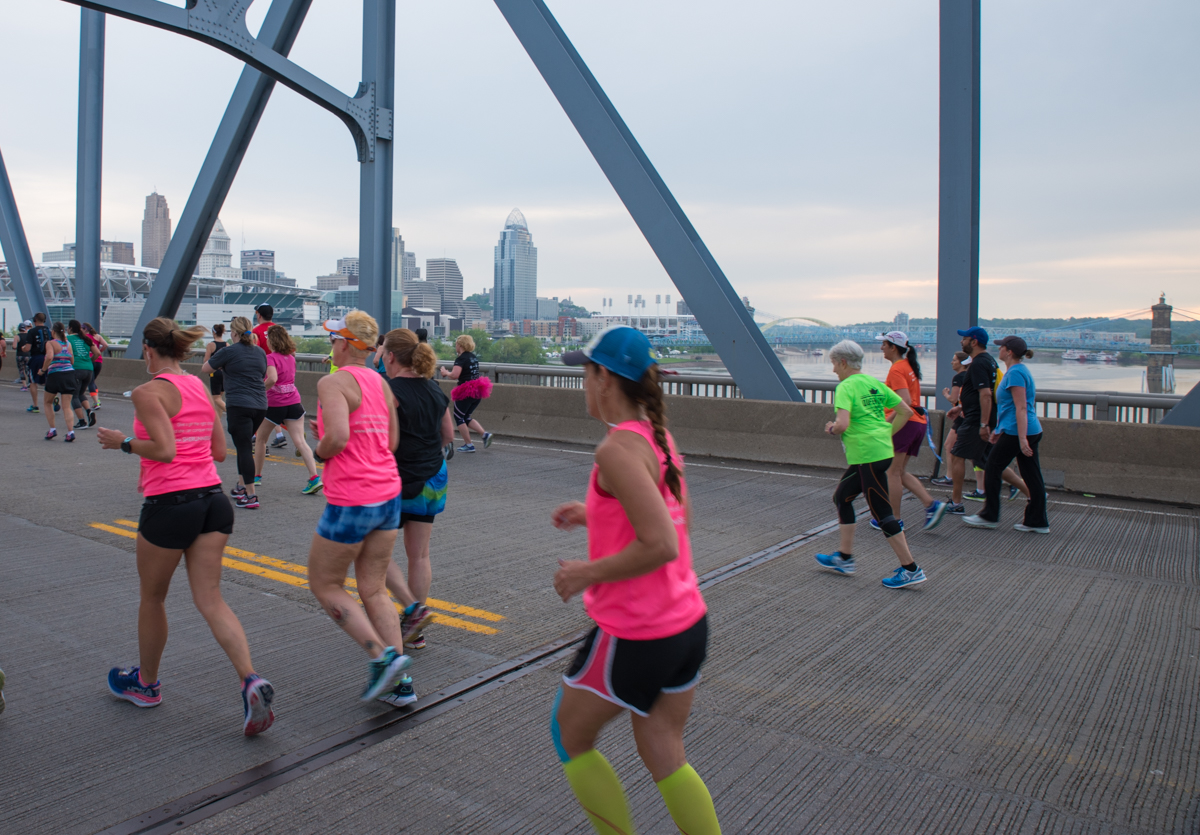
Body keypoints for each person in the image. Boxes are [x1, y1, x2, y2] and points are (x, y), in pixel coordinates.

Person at [551, 325, 720, 835]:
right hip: (686, 625)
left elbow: (662, 542)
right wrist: (596, 514)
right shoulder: (658, 436)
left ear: (604, 378)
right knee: (664, 750)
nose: (583, 381)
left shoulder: (616, 450)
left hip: (636, 630)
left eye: (586, 371)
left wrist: (587, 572)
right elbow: (676, 518)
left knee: (569, 736)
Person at [94, 317, 274, 734]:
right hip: (213, 501)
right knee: (211, 598)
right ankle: (251, 680)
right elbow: (219, 452)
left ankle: (146, 685)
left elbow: (163, 449)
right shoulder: (196, 386)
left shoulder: (147, 392)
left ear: (149, 349)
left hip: (170, 503)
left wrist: (121, 442)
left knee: (153, 598)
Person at [306, 312, 413, 703]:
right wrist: (337, 438)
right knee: (373, 588)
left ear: (347, 343)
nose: (330, 345)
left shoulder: (332, 381)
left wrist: (322, 448)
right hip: (388, 494)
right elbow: (390, 441)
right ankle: (400, 684)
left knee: (325, 584)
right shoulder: (381, 384)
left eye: (333, 339)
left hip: (352, 497)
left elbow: (335, 438)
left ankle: (381, 657)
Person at [814, 340, 929, 589]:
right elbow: (906, 411)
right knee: (842, 497)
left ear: (843, 362)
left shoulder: (846, 386)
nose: (833, 369)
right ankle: (844, 557)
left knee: (882, 513)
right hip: (876, 452)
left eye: (834, 363)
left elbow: (842, 423)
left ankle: (911, 569)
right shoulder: (873, 383)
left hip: (868, 454)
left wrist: (832, 428)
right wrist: (886, 432)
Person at [381, 328, 451, 652]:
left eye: (382, 352)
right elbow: (448, 435)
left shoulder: (388, 390)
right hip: (434, 477)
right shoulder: (435, 389)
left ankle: (412, 609)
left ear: (391, 356)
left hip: (399, 479)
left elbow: (382, 439)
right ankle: (416, 632)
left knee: (373, 552)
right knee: (419, 555)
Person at [963, 336, 1050, 534]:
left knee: (992, 467)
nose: (999, 349)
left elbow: (1020, 408)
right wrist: (999, 430)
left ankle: (989, 515)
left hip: (1019, 431)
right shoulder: (1018, 371)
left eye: (1001, 347)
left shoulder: (1016, 374)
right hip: (1024, 429)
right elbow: (1009, 407)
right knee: (1032, 475)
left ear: (1009, 352)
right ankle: (1037, 521)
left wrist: (1021, 439)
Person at [874, 331, 947, 532]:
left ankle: (894, 520)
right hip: (918, 422)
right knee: (900, 471)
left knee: (892, 472)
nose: (881, 348)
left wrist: (886, 423)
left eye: (884, 345)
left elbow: (904, 402)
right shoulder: (908, 367)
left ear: (893, 347)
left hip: (905, 423)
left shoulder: (897, 370)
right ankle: (931, 505)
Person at [202, 317, 266, 509]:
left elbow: (206, 368)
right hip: (260, 406)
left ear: (235, 333)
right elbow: (262, 374)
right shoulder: (260, 352)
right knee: (243, 446)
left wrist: (223, 365)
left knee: (244, 448)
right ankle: (241, 486)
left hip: (239, 405)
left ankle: (251, 495)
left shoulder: (229, 351)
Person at [253, 325, 322, 495]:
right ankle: (314, 478)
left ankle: (256, 476)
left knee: (261, 440)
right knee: (300, 441)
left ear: (272, 340)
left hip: (275, 404)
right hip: (294, 402)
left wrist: (259, 390)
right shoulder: (291, 357)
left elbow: (272, 379)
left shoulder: (270, 358)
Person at [440, 334, 493, 452]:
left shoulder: (461, 359)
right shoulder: (473, 357)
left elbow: (455, 375)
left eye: (456, 344)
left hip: (466, 391)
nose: (455, 346)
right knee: (466, 416)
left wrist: (445, 373)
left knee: (458, 417)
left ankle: (469, 445)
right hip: (478, 390)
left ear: (461, 345)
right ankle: (485, 435)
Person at [930, 352, 970, 487]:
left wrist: (945, 394)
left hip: (962, 416)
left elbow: (954, 399)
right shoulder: (971, 376)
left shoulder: (958, 377)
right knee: (953, 446)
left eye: (954, 360)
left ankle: (950, 477)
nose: (951, 363)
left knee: (950, 446)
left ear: (961, 363)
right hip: (969, 414)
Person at [40, 322, 78, 441]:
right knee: (67, 406)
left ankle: (52, 430)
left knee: (47, 402)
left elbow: (49, 357)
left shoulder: (50, 343)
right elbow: (72, 361)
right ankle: (70, 432)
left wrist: (43, 369)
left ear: (53, 332)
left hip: (55, 375)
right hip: (69, 374)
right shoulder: (68, 343)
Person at [67, 320, 100, 430]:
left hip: (76, 369)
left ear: (70, 328)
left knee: (74, 396)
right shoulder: (86, 339)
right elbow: (97, 353)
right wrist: (89, 361)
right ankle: (89, 411)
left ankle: (82, 422)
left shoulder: (69, 339)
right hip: (88, 370)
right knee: (81, 393)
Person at [22, 312, 52, 413]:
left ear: (35, 321)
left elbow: (28, 348)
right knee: (48, 381)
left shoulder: (32, 332)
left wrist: (23, 348)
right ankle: (52, 399)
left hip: (36, 358)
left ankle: (35, 405)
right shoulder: (49, 331)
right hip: (48, 357)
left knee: (33, 381)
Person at [203, 323, 228, 415]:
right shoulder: (227, 344)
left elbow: (206, 360)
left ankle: (232, 413)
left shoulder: (211, 345)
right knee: (219, 398)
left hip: (215, 373)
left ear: (213, 332)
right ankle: (217, 422)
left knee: (216, 398)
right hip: (224, 373)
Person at [83, 323, 109, 408]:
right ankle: (97, 400)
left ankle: (96, 403)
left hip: (90, 360)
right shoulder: (97, 336)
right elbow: (105, 345)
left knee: (90, 382)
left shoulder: (84, 337)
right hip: (99, 360)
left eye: (82, 328)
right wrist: (99, 351)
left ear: (85, 329)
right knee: (93, 381)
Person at [15, 322, 31, 391]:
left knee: (22, 370)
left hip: (19, 355)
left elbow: (14, 346)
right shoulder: (29, 336)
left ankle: (24, 386)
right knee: (29, 369)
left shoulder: (17, 336)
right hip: (28, 355)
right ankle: (30, 382)